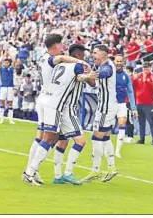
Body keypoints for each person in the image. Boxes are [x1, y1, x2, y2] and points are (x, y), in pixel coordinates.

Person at [23, 34, 92, 185]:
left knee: (51, 138)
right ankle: (30, 171)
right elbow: (62, 60)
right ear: (55, 46)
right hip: (53, 102)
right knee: (46, 138)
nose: (63, 48)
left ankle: (37, 171)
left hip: (47, 99)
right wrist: (81, 62)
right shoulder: (53, 59)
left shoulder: (48, 60)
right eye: (61, 45)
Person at [52, 44, 96, 184]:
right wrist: (88, 72)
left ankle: (58, 176)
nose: (85, 58)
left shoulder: (61, 65)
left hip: (58, 106)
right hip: (68, 108)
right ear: (77, 56)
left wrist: (87, 74)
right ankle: (68, 172)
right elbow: (87, 81)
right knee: (81, 141)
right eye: (83, 55)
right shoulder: (76, 66)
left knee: (62, 141)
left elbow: (87, 81)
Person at [82, 44, 118, 183]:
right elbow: (95, 80)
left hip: (105, 107)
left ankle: (95, 170)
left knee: (96, 137)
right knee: (106, 138)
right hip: (106, 106)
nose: (93, 55)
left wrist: (88, 75)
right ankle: (112, 167)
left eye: (95, 53)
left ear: (104, 54)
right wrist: (89, 71)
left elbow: (105, 73)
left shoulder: (108, 66)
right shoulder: (101, 66)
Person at [114, 55, 138, 158]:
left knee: (122, 123)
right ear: (114, 62)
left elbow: (130, 92)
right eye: (117, 61)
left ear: (123, 62)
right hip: (110, 103)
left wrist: (133, 108)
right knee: (105, 129)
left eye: (121, 61)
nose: (119, 63)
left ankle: (117, 151)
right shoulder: (109, 73)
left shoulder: (126, 76)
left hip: (122, 103)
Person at [133, 61, 153, 145]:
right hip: (139, 102)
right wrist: (133, 78)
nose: (145, 69)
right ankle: (141, 139)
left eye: (147, 67)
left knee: (151, 122)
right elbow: (133, 87)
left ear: (150, 68)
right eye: (144, 67)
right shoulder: (139, 76)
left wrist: (148, 82)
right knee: (141, 122)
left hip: (149, 103)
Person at [0, 52, 16, 124]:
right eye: (5, 63)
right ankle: (1, 118)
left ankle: (10, 119)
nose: (6, 64)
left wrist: (10, 54)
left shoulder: (11, 69)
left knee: (10, 103)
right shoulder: (1, 69)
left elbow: (14, 61)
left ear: (9, 63)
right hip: (3, 87)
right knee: (2, 102)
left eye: (7, 63)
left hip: (10, 87)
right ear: (3, 63)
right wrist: (3, 56)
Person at [125, 66, 135, 142]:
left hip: (130, 101)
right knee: (126, 118)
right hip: (126, 100)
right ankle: (128, 135)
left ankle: (131, 136)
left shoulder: (132, 79)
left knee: (129, 119)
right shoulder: (129, 78)